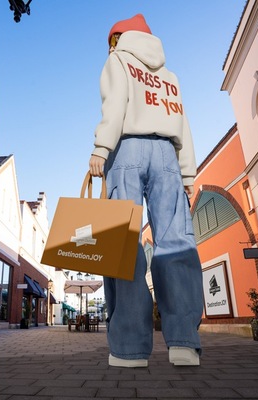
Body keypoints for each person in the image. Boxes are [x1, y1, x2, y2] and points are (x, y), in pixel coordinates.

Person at [88, 14, 204, 367]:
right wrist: (188, 173)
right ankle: (183, 342)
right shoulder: (169, 77)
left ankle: (130, 348)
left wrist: (101, 147)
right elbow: (182, 121)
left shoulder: (118, 60)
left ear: (117, 38)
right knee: (176, 240)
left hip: (126, 148)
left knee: (123, 245)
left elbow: (116, 103)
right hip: (167, 153)